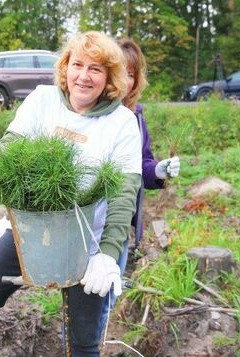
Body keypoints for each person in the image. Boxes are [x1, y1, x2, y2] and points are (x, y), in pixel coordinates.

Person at [0, 31, 142, 357]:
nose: (84, 76)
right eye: (77, 64)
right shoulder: (42, 100)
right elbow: (8, 152)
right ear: (65, 67)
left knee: (82, 341)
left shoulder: (122, 122)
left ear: (109, 78)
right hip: (29, 231)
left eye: (96, 69)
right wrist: (9, 211)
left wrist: (109, 255)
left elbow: (124, 194)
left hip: (87, 243)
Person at [97, 38, 181, 333]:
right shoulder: (92, 113)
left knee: (109, 286)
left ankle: (101, 342)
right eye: (118, 70)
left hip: (122, 221)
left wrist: (157, 170)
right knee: (86, 295)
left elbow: (141, 164)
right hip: (89, 220)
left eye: (131, 73)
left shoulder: (136, 117)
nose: (124, 79)